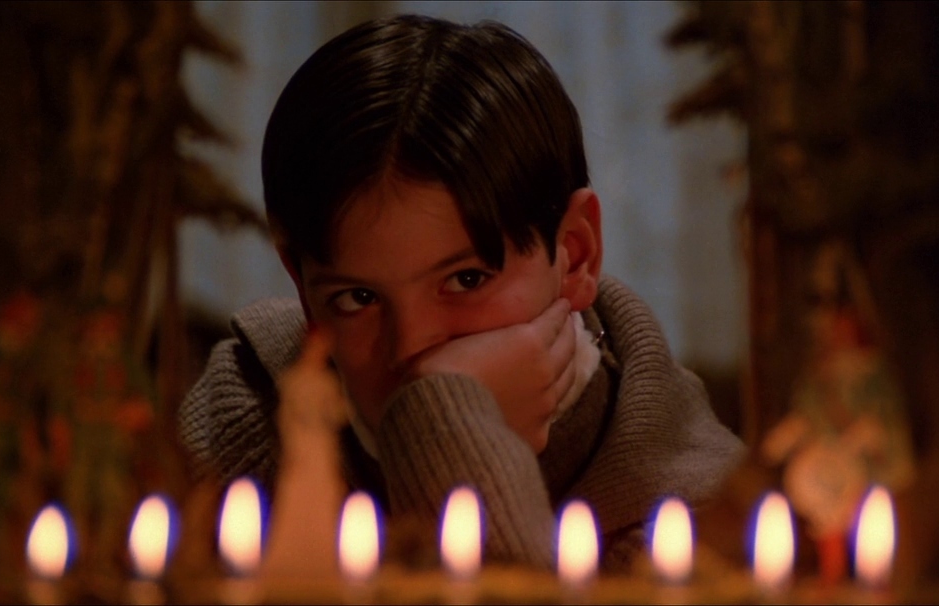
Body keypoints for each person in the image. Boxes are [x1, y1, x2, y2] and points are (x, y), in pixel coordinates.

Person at [179, 13, 744, 572]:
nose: (413, 351)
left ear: (575, 252)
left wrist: (443, 430)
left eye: (467, 280)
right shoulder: (253, 420)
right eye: (357, 298)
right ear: (303, 289)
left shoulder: (702, 524)